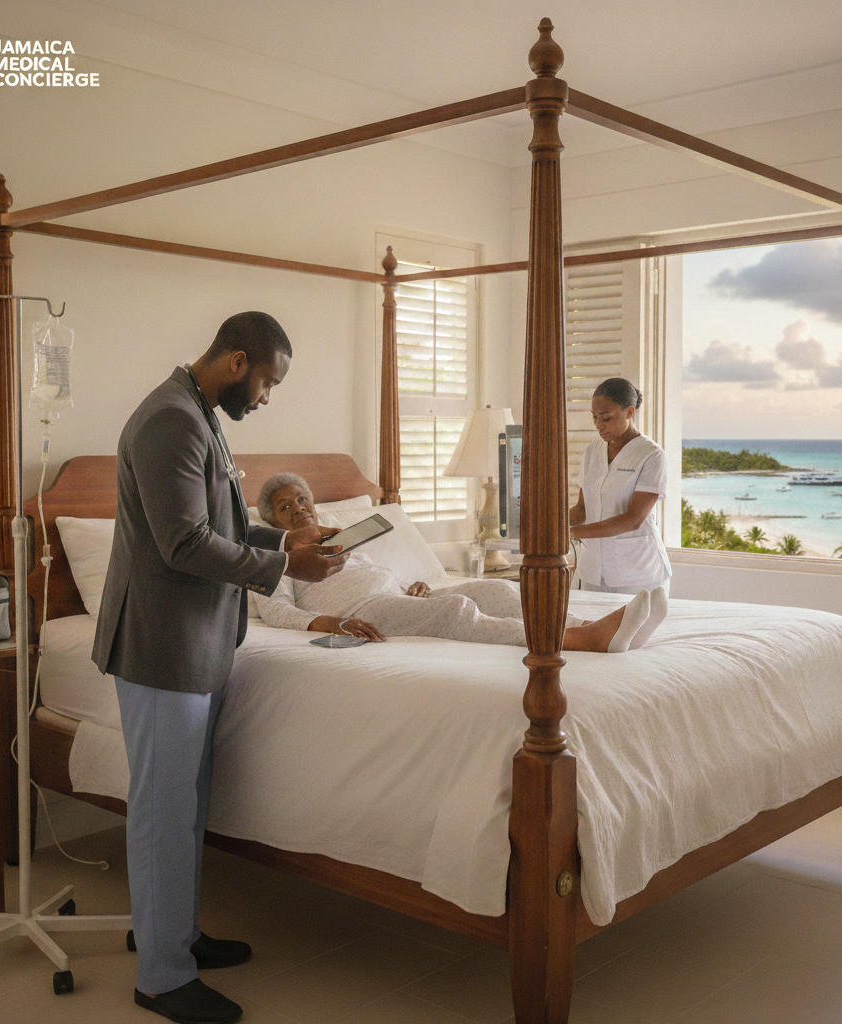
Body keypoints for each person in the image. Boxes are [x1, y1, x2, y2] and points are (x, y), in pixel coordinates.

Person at [91, 313, 347, 1024]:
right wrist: (282, 564)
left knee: (185, 807)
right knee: (163, 810)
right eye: (267, 381)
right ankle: (161, 976)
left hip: (195, 646)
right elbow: (182, 543)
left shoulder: (197, 413)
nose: (266, 398)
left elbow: (222, 526)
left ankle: (172, 935)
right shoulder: (170, 420)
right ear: (238, 361)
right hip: (161, 646)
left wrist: (288, 537)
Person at [254, 472, 668, 653]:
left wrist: (407, 588)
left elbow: (376, 579)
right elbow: (276, 610)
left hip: (392, 599)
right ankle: (579, 642)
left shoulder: (341, 543)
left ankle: (587, 626)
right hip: (357, 613)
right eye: (285, 507)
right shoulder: (275, 556)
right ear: (273, 522)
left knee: (496, 589)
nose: (297, 509)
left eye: (302, 499)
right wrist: (330, 623)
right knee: (454, 610)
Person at [570, 377, 672, 600]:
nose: (598, 426)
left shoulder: (651, 455)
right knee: (592, 633)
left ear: (629, 412)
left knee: (635, 634)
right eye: (595, 418)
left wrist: (571, 533)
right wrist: (547, 525)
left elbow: (632, 519)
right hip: (592, 573)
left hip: (638, 573)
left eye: (606, 418)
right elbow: (581, 509)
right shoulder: (591, 453)